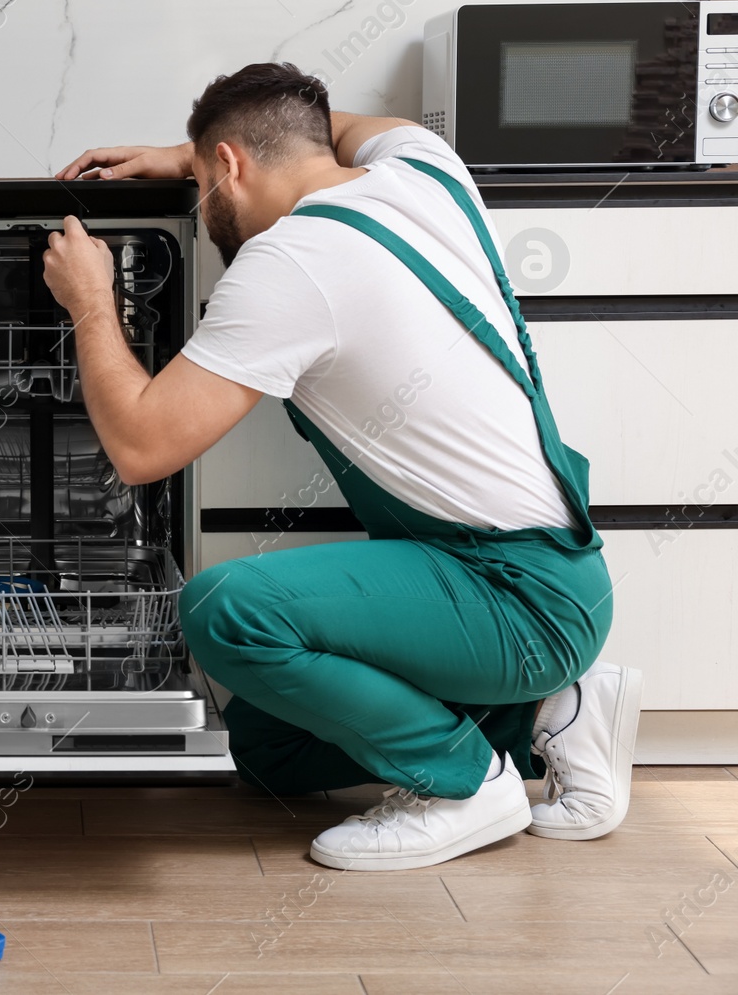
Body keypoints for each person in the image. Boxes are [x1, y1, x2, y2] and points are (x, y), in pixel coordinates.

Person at [42, 62, 641, 871]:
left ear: (232, 164)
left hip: (514, 592)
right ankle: (550, 713)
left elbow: (143, 449)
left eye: (203, 178)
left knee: (227, 612)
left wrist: (90, 302)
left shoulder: (290, 263)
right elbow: (336, 125)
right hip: (548, 570)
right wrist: (185, 153)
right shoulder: (426, 167)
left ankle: (465, 785)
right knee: (265, 750)